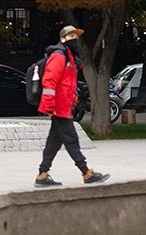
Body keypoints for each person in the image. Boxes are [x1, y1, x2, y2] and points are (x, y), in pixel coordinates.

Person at [35, 24, 109, 187]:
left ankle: (42, 174)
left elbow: (67, 84)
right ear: (63, 39)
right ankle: (86, 173)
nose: (75, 40)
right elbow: (50, 82)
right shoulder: (59, 56)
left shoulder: (69, 58)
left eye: (76, 37)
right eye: (71, 37)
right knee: (72, 140)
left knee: (53, 142)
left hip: (63, 107)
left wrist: (73, 98)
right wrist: (48, 106)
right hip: (59, 108)